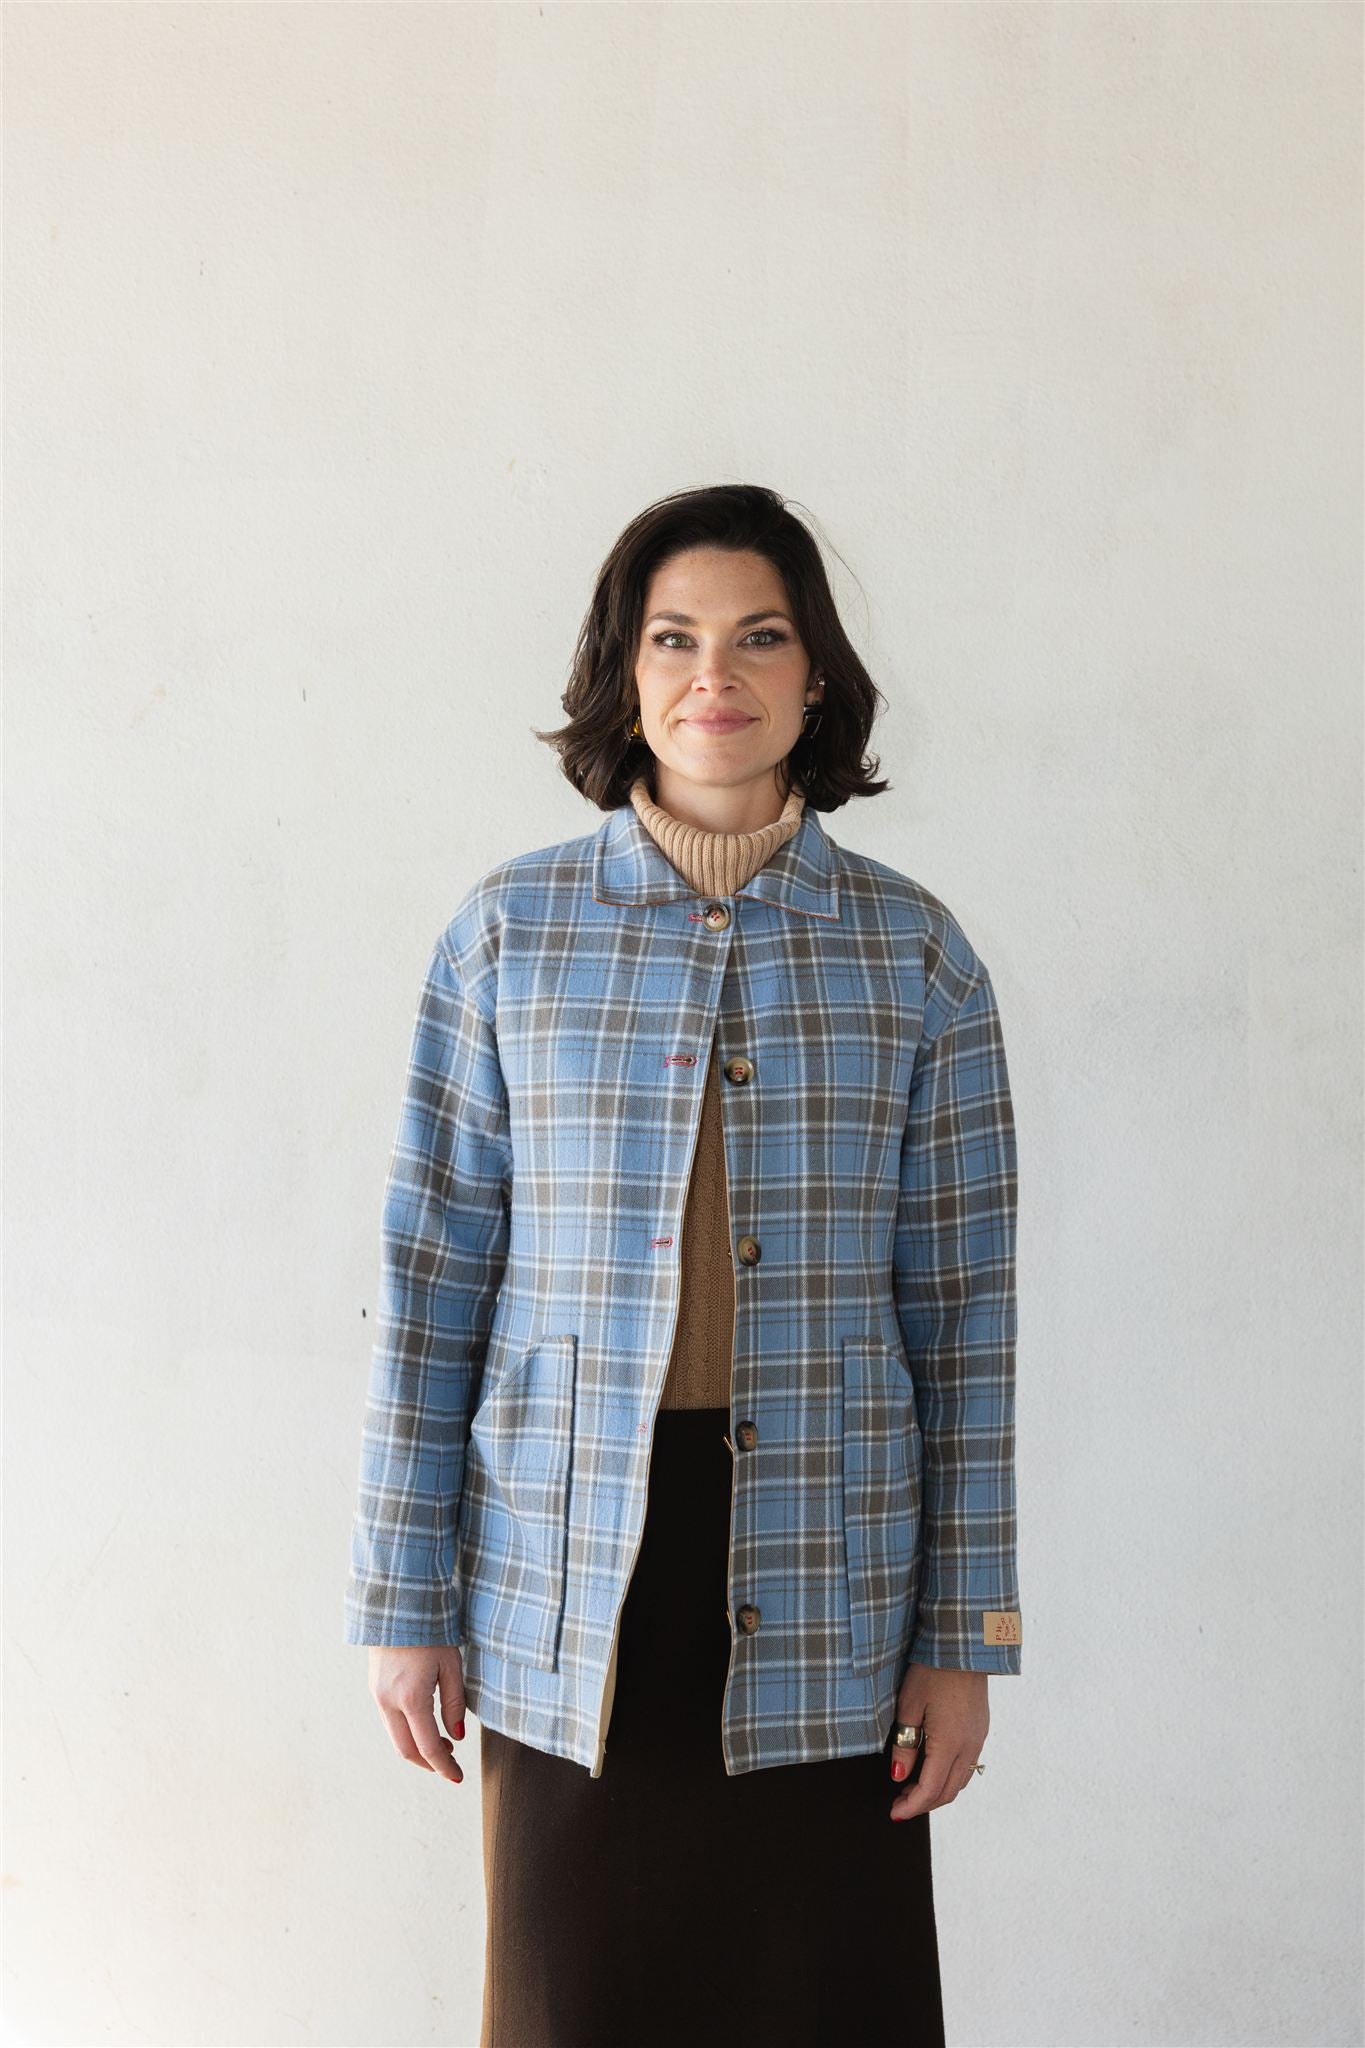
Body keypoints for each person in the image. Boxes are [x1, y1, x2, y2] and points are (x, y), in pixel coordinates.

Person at [345, 482, 1023, 2047]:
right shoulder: (507, 935)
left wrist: (962, 1638)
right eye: (674, 637)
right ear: (626, 675)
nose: (714, 671)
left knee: (820, 2002)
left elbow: (965, 1318)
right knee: (577, 2002)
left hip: (830, 1571)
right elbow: (434, 1268)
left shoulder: (914, 955)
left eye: (757, 636)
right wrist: (404, 1596)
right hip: (563, 1569)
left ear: (813, 680)